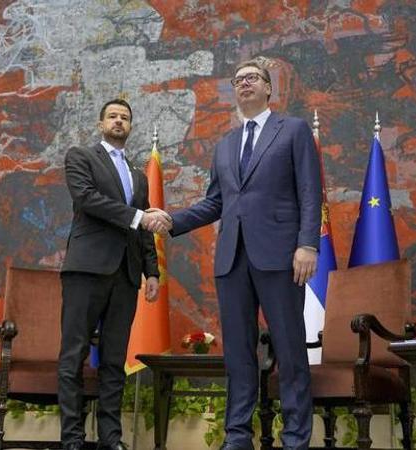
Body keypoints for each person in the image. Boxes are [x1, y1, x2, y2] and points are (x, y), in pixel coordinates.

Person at [160, 60, 322, 450]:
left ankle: (296, 438)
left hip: (282, 256)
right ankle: (237, 437)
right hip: (232, 259)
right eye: (238, 80)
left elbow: (310, 190)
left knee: (289, 347)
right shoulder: (226, 145)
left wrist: (307, 244)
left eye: (252, 78)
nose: (244, 84)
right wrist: (171, 220)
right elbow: (215, 202)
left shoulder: (294, 130)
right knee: (237, 354)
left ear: (269, 89)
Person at [59, 98, 170, 450]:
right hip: (87, 269)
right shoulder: (81, 156)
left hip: (126, 275)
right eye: (112, 116)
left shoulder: (139, 176)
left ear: (130, 126)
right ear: (100, 123)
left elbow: (143, 228)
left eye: (125, 117)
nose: (119, 121)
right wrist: (139, 217)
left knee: (113, 358)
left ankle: (111, 439)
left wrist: (152, 272)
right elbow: (87, 198)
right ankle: (73, 438)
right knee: (73, 353)